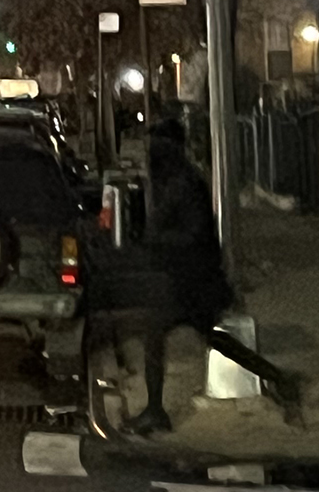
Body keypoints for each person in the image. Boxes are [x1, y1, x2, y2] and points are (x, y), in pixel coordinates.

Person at [124, 119, 300, 434]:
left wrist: (156, 241)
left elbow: (193, 233)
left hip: (190, 280)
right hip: (188, 279)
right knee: (211, 338)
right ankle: (279, 379)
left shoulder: (185, 183)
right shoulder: (176, 179)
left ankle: (155, 410)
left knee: (159, 335)